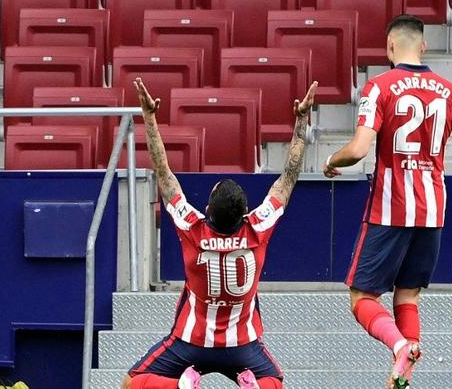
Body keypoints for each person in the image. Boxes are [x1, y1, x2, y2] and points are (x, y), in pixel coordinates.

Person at [322, 15, 452, 389]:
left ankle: (400, 345)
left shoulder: (379, 87)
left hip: (389, 208)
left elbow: (358, 150)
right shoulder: (451, 91)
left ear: (389, 47)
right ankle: (407, 366)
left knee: (361, 297)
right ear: (423, 46)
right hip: (433, 211)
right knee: (408, 295)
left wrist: (331, 161)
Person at [121, 78, 318, 389]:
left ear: (208, 211)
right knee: (275, 383)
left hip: (190, 340)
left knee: (132, 384)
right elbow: (288, 178)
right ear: (243, 213)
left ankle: (181, 386)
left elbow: (163, 173)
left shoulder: (191, 227)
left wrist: (149, 116)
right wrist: (302, 119)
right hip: (243, 346)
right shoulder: (258, 227)